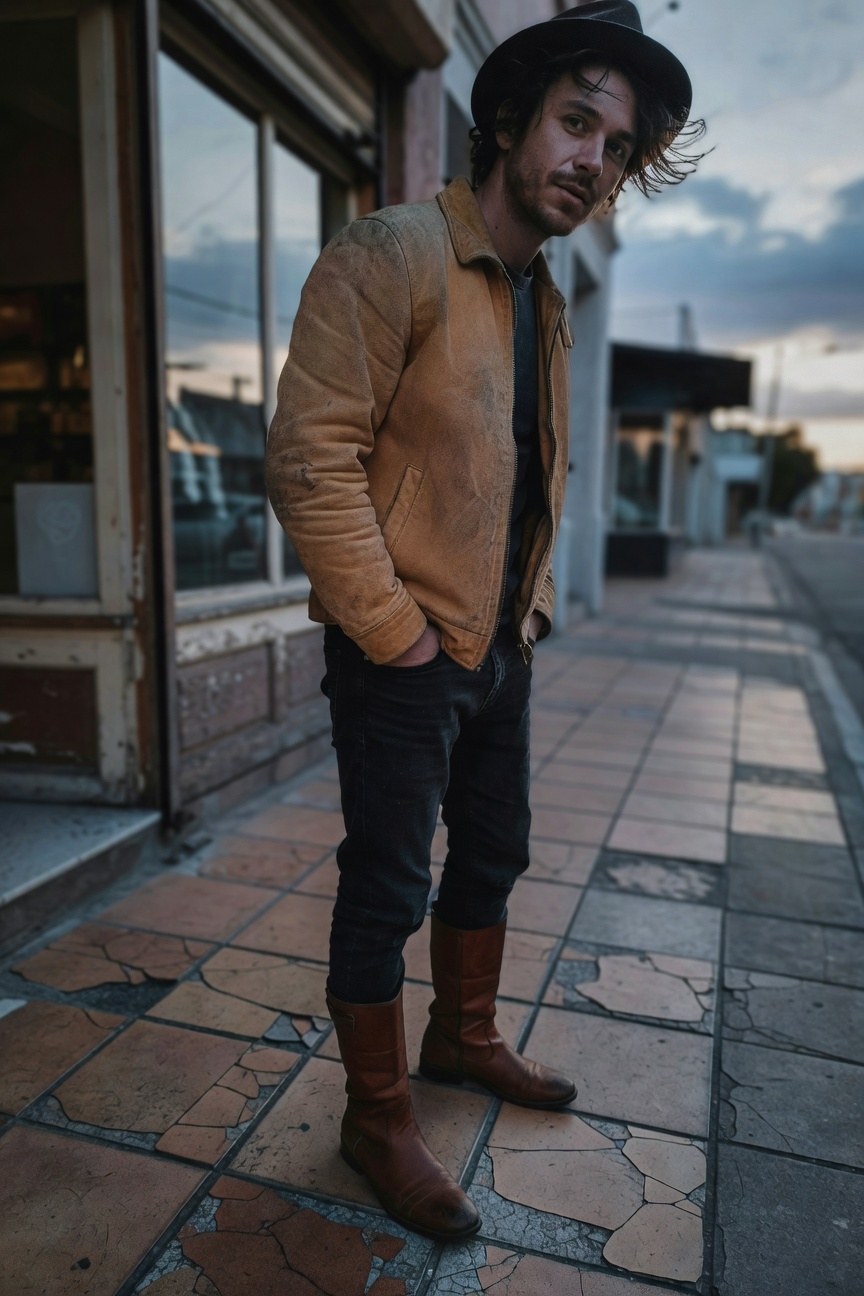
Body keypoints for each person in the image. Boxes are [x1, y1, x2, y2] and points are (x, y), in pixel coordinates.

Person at [266, 0, 700, 1243]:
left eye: (616, 148)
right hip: (401, 652)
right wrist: (396, 634)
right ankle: (378, 1116)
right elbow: (309, 460)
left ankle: (462, 1037)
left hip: (500, 649)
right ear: (510, 121)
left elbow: (529, 470)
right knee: (387, 887)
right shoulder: (393, 252)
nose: (592, 162)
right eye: (576, 124)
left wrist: (529, 616)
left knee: (494, 855)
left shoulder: (540, 297)